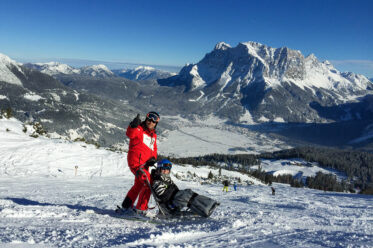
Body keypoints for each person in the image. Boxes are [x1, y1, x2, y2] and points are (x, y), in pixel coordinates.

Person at [121, 111, 160, 214]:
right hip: (136, 163)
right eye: (149, 119)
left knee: (138, 185)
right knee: (148, 183)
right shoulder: (139, 129)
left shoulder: (153, 135)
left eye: (154, 121)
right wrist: (132, 126)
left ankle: (126, 206)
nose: (151, 122)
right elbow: (130, 134)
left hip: (145, 165)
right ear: (146, 119)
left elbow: (154, 148)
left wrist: (153, 158)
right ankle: (141, 210)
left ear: (156, 124)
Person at [151, 159, 219, 217]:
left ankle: (208, 204)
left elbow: (174, 190)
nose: (166, 171)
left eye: (168, 169)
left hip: (172, 201)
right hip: (168, 206)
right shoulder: (157, 181)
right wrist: (177, 193)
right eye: (163, 169)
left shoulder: (167, 179)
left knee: (188, 192)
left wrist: (177, 193)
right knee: (184, 196)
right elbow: (163, 196)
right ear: (159, 169)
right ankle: (205, 209)